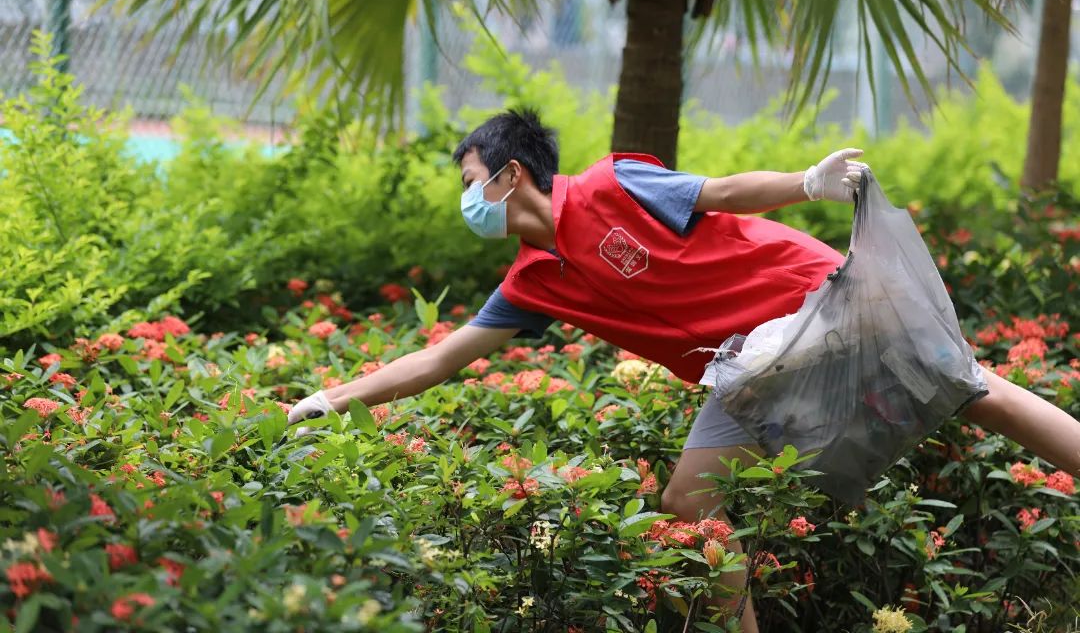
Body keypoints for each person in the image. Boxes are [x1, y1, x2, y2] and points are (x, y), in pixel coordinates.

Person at [288, 109, 1080, 631]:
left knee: (977, 393)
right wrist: (330, 397)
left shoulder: (610, 184)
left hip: (811, 301)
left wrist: (809, 184)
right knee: (691, 499)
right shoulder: (532, 281)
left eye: (470, 183)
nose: (468, 201)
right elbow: (439, 356)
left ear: (510, 174)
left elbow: (720, 190)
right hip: (748, 367)